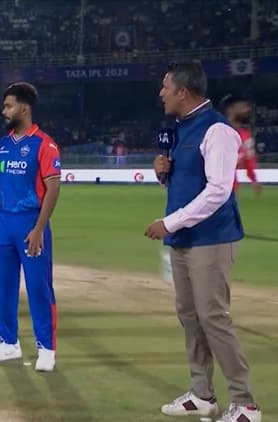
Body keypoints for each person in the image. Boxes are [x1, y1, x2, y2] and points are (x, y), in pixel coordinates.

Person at [145, 62, 261, 422]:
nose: (161, 94)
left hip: (211, 239)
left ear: (183, 91)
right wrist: (163, 175)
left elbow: (218, 192)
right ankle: (202, 394)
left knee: (213, 317)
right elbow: (188, 184)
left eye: (166, 87)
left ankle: (245, 404)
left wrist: (169, 222)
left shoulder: (218, 131)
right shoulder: (180, 129)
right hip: (184, 237)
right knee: (190, 316)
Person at [0, 82, 61, 371]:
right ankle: (8, 343)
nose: (4, 111)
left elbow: (53, 188)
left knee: (39, 287)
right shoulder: (2, 145)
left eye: (9, 106)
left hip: (30, 223)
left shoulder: (44, 144)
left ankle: (46, 349)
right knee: (4, 286)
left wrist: (39, 228)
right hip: (3, 223)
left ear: (24, 109)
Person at [219, 94, 262, 197]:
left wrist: (254, 179)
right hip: (211, 189)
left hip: (230, 190)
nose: (247, 110)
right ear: (231, 110)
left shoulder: (245, 136)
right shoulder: (217, 132)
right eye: (243, 107)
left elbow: (249, 159)